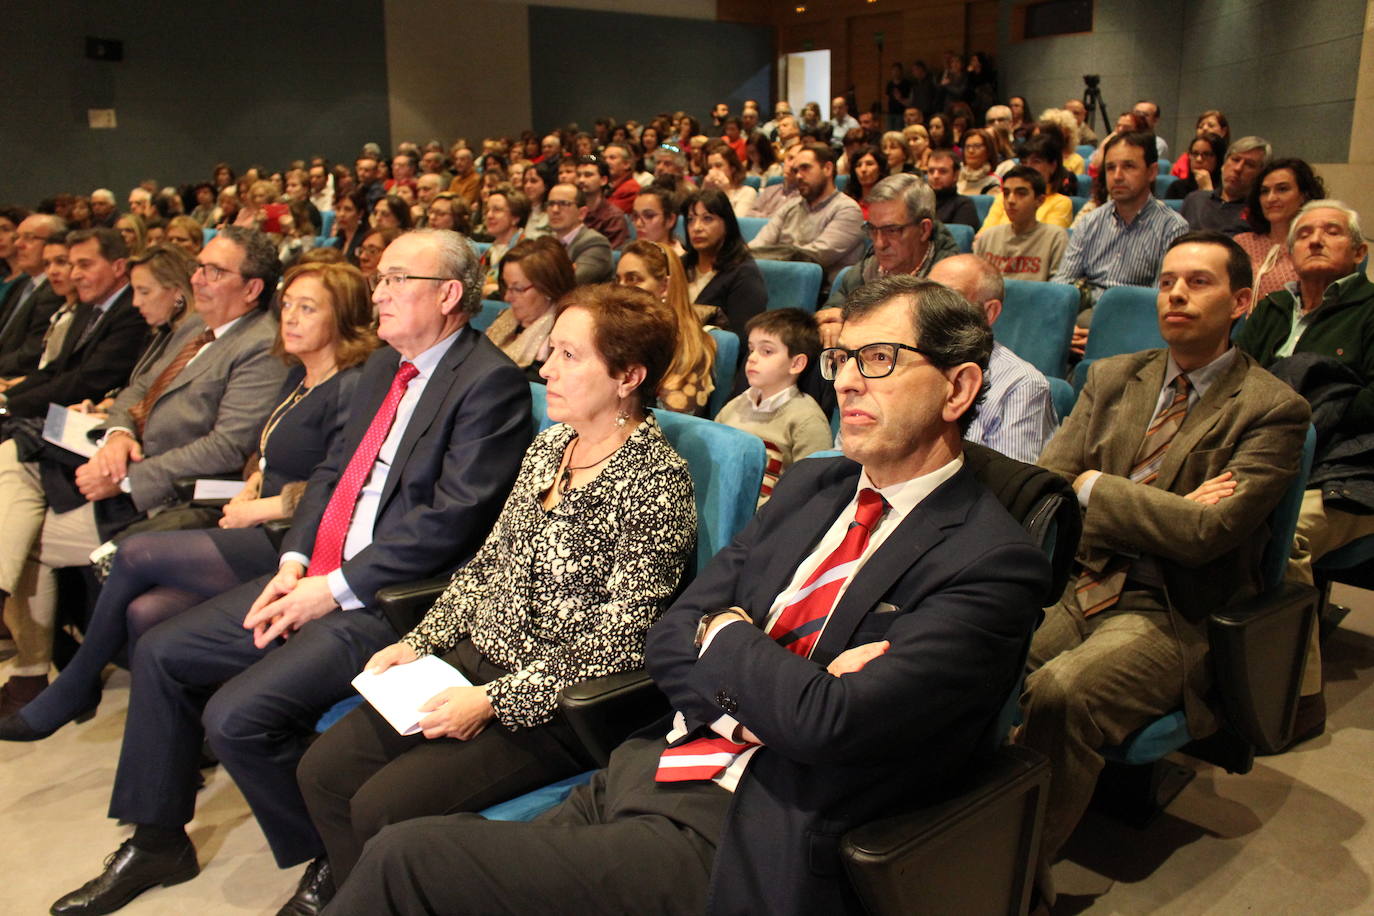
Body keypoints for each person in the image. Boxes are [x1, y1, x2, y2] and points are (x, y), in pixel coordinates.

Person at [323, 272, 1050, 916]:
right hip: (650, 766)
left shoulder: (992, 560)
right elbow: (672, 635)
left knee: (406, 859)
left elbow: (830, 724)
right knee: (423, 853)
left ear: (957, 389)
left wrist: (729, 637)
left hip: (748, 828)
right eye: (842, 360)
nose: (849, 381)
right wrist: (774, 679)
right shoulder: (813, 485)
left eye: (880, 360)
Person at [49, 229, 533, 916]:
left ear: (449, 295)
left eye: (398, 280)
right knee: (158, 647)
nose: (380, 293)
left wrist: (330, 590)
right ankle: (158, 838)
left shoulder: (488, 383)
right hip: (320, 572)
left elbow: (450, 522)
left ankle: (334, 857)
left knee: (234, 718)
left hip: (389, 600)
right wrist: (294, 561)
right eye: (380, 278)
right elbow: (333, 474)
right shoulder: (381, 368)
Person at [290, 281, 696, 906]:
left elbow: (621, 640)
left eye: (569, 355)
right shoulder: (552, 446)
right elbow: (488, 565)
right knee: (321, 771)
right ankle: (361, 896)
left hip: (547, 702)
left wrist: (491, 700)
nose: (545, 367)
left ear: (628, 376)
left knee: (380, 808)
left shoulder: (654, 482)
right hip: (468, 659)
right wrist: (419, 642)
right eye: (551, 350)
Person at [1023, 231, 1309, 905]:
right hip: (1080, 583)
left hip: (1170, 611)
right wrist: (1154, 506)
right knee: (978, 651)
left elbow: (1207, 535)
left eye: (1199, 282)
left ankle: (1008, 876)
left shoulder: (1272, 410)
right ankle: (943, 830)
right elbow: (1047, 488)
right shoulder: (1112, 377)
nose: (1176, 293)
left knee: (1063, 694)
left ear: (1242, 301)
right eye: (1168, 280)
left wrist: (1097, 484)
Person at [0, 260, 377, 741]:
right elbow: (268, 453)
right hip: (258, 520)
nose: (291, 318)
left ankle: (72, 688)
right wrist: (253, 481)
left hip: (297, 538)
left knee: (135, 553)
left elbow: (341, 482)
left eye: (309, 308)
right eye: (288, 306)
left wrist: (260, 507)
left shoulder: (353, 384)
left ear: (342, 316)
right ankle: (170, 772)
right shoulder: (299, 373)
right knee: (146, 612)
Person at [0, 227, 288, 716]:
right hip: (126, 466)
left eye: (214, 271)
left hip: (172, 495)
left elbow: (227, 445)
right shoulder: (198, 331)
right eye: (199, 266)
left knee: (24, 531)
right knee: (11, 468)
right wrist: (118, 438)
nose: (197, 278)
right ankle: (40, 673)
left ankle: (43, 674)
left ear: (253, 287)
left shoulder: (259, 346)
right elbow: (134, 392)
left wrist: (130, 476)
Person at [1235, 200, 1374, 740]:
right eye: (1305, 233)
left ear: (1358, 253)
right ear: (1288, 253)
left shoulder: (1370, 310)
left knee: (1283, 537)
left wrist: (1309, 408)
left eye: (1332, 232)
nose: (1315, 239)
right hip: (1265, 457)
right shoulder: (1269, 311)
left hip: (1348, 471)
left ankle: (1298, 696)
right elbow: (1236, 380)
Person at [1052, 131, 1190, 350]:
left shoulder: (1172, 227)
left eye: (1128, 166)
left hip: (1135, 325)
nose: (1117, 176)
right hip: (1083, 320)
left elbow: (1159, 299)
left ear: (1152, 171)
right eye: (1110, 168)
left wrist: (1106, 333)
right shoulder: (1090, 222)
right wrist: (1065, 328)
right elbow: (1063, 284)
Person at [0, 227, 149, 419]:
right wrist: (5, 399)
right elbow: (55, 369)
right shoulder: (89, 305)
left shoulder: (134, 311)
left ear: (118, 267)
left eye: (84, 265)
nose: (75, 275)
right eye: (73, 265)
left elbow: (89, 381)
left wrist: (10, 407)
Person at [932, 254, 1058, 462]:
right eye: (927, 295)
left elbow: (1008, 488)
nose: (931, 310)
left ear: (990, 312)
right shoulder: (907, 361)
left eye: (949, 298)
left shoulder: (1022, 385)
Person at [820, 174, 958, 343]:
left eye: (891, 230)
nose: (879, 243)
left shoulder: (951, 283)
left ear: (924, 230)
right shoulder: (864, 271)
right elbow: (826, 313)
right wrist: (829, 324)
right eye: (872, 229)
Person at [715, 308, 831, 503]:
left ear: (796, 364)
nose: (752, 358)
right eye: (751, 349)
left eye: (766, 351)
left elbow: (810, 492)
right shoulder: (734, 406)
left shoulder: (807, 420)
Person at [615, 239, 716, 415]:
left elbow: (671, 423)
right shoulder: (617, 334)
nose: (621, 289)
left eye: (633, 279)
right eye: (619, 280)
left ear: (664, 286)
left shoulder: (687, 347)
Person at [749, 143, 865, 287]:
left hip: (821, 293)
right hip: (779, 281)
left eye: (805, 168)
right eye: (796, 170)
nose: (798, 175)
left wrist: (760, 256)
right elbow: (760, 243)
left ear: (828, 169)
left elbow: (812, 257)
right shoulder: (791, 206)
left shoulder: (847, 210)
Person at [1233, 158, 1326, 301]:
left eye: (1282, 189)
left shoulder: (1314, 247)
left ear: (1304, 195)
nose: (1270, 198)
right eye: (1264, 191)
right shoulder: (1242, 242)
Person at [682, 188, 768, 333]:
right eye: (690, 220)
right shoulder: (680, 265)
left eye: (707, 218)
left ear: (727, 224)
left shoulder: (744, 274)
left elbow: (742, 338)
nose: (696, 228)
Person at [489, 236, 576, 378]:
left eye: (517, 288)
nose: (507, 298)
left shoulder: (562, 342)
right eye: (506, 286)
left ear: (548, 288)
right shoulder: (505, 318)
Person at [973, 165, 1069, 283]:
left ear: (1039, 200)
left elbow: (1058, 289)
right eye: (1006, 193)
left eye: (1021, 193)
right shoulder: (988, 237)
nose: (1011, 200)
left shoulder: (1055, 237)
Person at [0, 214, 68, 378]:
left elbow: (30, 355)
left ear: (53, 244)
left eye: (29, 238)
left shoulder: (55, 291)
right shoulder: (21, 284)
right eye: (17, 238)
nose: (18, 244)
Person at [978, 133, 1074, 232]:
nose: (1028, 167)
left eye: (1036, 161)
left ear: (1053, 166)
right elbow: (982, 237)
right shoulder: (1003, 197)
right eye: (1024, 162)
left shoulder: (1061, 203)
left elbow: (1049, 241)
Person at [1181, 136, 1270, 235]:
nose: (1238, 168)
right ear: (1224, 163)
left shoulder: (1259, 212)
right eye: (1235, 160)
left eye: (1249, 165)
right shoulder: (1194, 199)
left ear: (1261, 174)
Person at [545, 183, 613, 284]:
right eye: (551, 204)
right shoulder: (547, 242)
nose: (555, 210)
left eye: (564, 204)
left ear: (582, 213)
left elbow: (571, 283)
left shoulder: (595, 243)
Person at [478, 186, 528, 298]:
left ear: (515, 217)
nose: (489, 215)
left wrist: (499, 289)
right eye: (487, 210)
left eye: (497, 210)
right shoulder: (488, 252)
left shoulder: (527, 250)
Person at [574, 156, 630, 248]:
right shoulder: (572, 211)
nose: (581, 180)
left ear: (603, 180)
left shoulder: (613, 217)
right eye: (579, 175)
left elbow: (610, 256)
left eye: (588, 175)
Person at [925, 149, 980, 230]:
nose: (935, 176)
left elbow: (960, 239)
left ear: (956, 175)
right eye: (931, 171)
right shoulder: (919, 203)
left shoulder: (964, 205)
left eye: (943, 171)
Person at [701, 144, 758, 219]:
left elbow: (736, 222)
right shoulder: (709, 192)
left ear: (732, 168)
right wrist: (703, 190)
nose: (712, 171)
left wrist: (726, 191)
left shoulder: (747, 192)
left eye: (718, 165)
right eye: (710, 167)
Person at [1165, 132, 1227, 200]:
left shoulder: (1227, 190)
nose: (1198, 159)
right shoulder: (1177, 187)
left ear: (1218, 158)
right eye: (1195, 153)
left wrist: (1207, 189)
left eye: (1206, 154)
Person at [1171, 109, 1229, 180]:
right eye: (1200, 126)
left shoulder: (1231, 159)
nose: (1204, 128)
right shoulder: (1185, 158)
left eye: (1210, 126)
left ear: (1223, 131)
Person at [631, 183, 685, 255]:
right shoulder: (630, 254)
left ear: (670, 220)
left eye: (649, 216)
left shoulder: (682, 262)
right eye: (635, 216)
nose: (638, 223)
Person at [842, 144, 888, 218]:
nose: (863, 169)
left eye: (869, 164)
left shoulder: (890, 201)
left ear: (880, 169)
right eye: (858, 165)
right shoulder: (847, 201)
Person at [956, 129, 1001, 195]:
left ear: (988, 151)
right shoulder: (955, 177)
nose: (971, 151)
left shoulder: (993, 182)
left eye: (977, 146)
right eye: (967, 146)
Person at [333, 189, 370, 265]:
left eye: (348, 209)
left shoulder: (367, 241)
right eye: (338, 209)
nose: (341, 214)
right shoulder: (337, 242)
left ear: (360, 213)